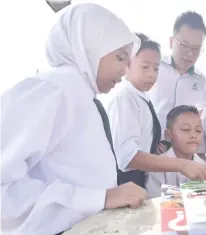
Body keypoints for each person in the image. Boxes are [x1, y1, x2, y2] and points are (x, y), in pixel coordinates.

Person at [1, 4, 146, 235]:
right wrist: (100, 197)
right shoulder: (52, 90)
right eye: (120, 58)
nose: (124, 70)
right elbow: (4, 190)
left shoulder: (84, 98)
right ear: (87, 46)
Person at [106, 33, 206, 189]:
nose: (152, 73)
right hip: (125, 179)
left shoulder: (142, 99)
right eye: (145, 67)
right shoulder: (125, 99)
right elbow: (126, 156)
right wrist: (181, 165)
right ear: (127, 66)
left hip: (138, 176)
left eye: (156, 68)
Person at [148, 11, 206, 152]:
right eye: (184, 45)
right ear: (171, 42)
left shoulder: (201, 81)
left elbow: (199, 118)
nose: (190, 53)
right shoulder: (154, 67)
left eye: (196, 49)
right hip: (151, 145)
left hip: (182, 150)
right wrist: (150, 142)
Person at [145, 105, 206, 198]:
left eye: (198, 130)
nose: (193, 135)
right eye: (186, 129)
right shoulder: (156, 169)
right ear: (168, 135)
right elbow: (154, 204)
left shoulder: (204, 167)